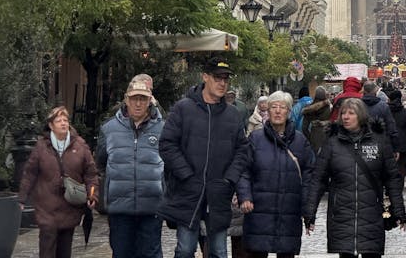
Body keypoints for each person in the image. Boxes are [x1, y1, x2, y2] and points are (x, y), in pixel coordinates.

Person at [158, 56, 249, 258]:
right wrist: (186, 175)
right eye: (218, 78)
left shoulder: (232, 114)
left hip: (219, 193)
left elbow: (243, 150)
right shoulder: (184, 108)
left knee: (219, 250)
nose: (222, 83)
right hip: (188, 192)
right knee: (185, 248)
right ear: (205, 77)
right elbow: (166, 144)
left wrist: (229, 179)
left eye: (226, 79)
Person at [304, 97, 406, 258]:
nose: (345, 116)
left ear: (361, 116)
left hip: (371, 215)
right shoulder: (332, 144)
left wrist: (398, 210)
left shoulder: (379, 142)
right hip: (342, 215)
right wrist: (310, 213)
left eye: (351, 113)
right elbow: (318, 179)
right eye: (343, 113)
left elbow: (392, 178)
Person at [236, 90, 315, 258]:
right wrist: (245, 196)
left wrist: (308, 209)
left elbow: (309, 175)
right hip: (259, 210)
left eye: (282, 107)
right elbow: (243, 170)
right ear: (268, 110)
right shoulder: (255, 139)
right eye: (274, 107)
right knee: (257, 252)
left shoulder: (300, 141)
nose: (278, 111)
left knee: (286, 253)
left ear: (288, 111)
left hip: (289, 210)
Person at [96, 74, 164, 258]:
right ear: (126, 100)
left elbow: (171, 163)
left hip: (151, 207)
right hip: (120, 208)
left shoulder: (162, 129)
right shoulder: (109, 129)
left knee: (151, 254)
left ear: (150, 101)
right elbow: (100, 162)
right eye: (134, 99)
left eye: (143, 99)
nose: (138, 104)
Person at [19, 105, 98, 258]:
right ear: (51, 125)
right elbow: (30, 173)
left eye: (65, 120)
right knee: (47, 246)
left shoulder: (80, 145)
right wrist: (22, 198)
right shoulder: (41, 147)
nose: (63, 123)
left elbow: (91, 173)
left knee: (64, 248)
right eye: (58, 120)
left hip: (69, 206)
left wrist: (92, 194)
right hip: (46, 207)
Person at [386, 90, 406, 186]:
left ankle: (389, 188)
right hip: (402, 143)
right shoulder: (405, 112)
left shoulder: (385, 110)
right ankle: (399, 187)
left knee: (388, 166)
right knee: (402, 166)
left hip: (388, 142)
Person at [301, 86, 332, 153]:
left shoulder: (308, 109)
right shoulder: (329, 107)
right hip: (327, 135)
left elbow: (304, 128)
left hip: (314, 136)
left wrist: (310, 138)